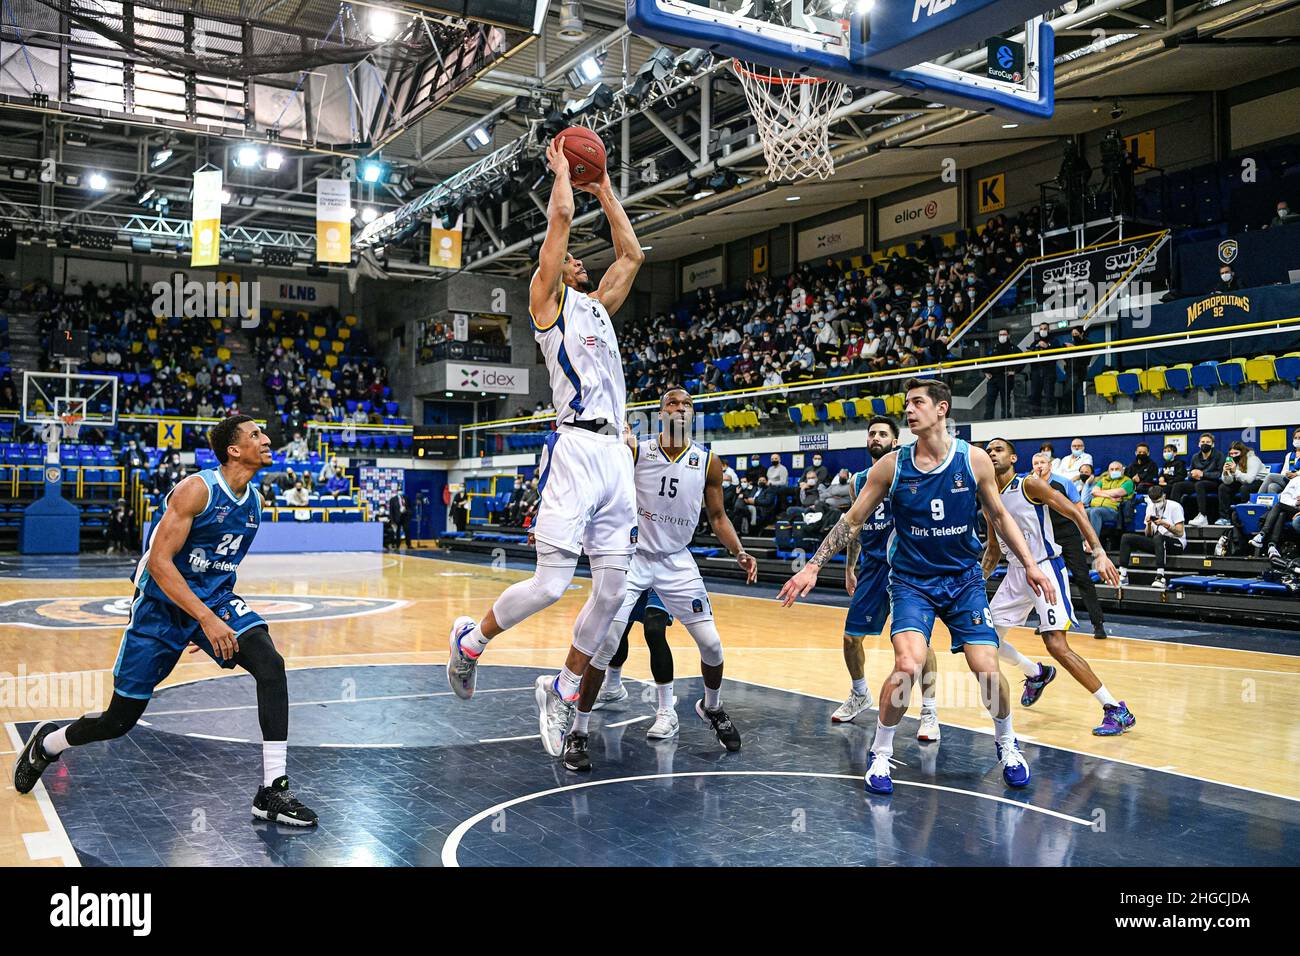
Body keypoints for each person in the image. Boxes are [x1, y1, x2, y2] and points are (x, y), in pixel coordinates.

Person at [446, 133, 645, 763]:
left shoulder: (599, 308)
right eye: (569, 259)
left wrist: (604, 186)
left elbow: (633, 253)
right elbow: (559, 218)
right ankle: (471, 640)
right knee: (553, 585)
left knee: (613, 591)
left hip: (618, 454)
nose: (579, 261)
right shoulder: (546, 306)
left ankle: (561, 689)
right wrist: (564, 171)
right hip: (575, 449)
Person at [13, 416, 317, 826]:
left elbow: (219, 566)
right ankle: (48, 744)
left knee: (270, 665)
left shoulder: (255, 503)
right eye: (255, 435)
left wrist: (207, 619)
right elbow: (158, 563)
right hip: (160, 609)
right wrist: (203, 618)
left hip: (211, 602)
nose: (266, 440)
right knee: (117, 721)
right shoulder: (197, 490)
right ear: (233, 449)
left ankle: (272, 791)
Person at [780, 378, 1055, 795]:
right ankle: (881, 752)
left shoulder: (974, 460)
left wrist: (1032, 565)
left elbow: (1000, 517)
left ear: (942, 409)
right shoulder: (892, 465)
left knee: (985, 667)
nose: (909, 410)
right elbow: (852, 520)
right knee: (908, 665)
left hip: (963, 581)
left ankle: (1007, 742)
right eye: (906, 404)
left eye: (918, 403)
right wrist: (813, 566)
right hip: (911, 581)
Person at [568, 389, 757, 770]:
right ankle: (578, 731)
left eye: (686, 404)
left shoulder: (708, 462)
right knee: (604, 645)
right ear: (661, 413)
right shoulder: (637, 451)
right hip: (632, 555)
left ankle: (712, 707)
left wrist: (738, 550)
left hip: (676, 561)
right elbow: (598, 484)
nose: (680, 409)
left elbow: (718, 517)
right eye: (672, 403)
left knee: (713, 646)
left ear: (693, 414)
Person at [982, 439, 1133, 736]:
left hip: (1045, 567)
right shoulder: (988, 497)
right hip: (1016, 573)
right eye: (988, 451)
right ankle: (1036, 674)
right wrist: (976, 580)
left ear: (1013, 457)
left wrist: (1099, 552)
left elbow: (1075, 512)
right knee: (985, 640)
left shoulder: (1029, 485)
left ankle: (1116, 709)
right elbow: (993, 551)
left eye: (998, 449)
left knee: (1056, 645)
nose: (991, 453)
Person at [831, 416, 941, 741]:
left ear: (895, 441)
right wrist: (850, 566)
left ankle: (930, 711)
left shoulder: (909, 472)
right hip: (872, 568)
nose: (876, 437)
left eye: (882, 434)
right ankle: (859, 693)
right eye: (872, 433)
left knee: (920, 647)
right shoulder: (858, 480)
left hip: (906, 569)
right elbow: (854, 524)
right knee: (851, 639)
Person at [1031, 452, 1108, 639]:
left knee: (1082, 577)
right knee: (1047, 580)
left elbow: (1080, 511)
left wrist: (1087, 539)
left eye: (1042, 462)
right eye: (1035, 463)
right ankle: (1048, 621)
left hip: (1068, 535)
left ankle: (1098, 623)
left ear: (1050, 465)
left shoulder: (1064, 483)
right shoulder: (1029, 484)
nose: (1039, 466)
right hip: (1046, 538)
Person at [1118, 484, 1185, 590]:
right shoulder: (1150, 507)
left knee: (1159, 537)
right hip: (1158, 543)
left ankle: (1160, 577)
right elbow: (1149, 534)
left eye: (1158, 501)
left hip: (1176, 543)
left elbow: (1180, 532)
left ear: (1164, 496)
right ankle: (1123, 574)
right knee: (1126, 537)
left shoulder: (1175, 506)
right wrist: (1149, 524)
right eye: (1154, 502)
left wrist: (1164, 524)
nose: (1156, 504)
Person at [1172, 433, 1225, 526]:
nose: (1205, 444)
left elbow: (1220, 474)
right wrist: (1192, 475)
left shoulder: (1219, 455)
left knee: (1199, 484)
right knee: (1178, 485)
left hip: (1213, 483)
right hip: (1197, 481)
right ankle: (1174, 515)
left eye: (1208, 442)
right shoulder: (1195, 457)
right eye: (1203, 442)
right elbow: (1190, 473)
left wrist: (1203, 474)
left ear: (1213, 444)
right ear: (1199, 444)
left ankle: (1203, 516)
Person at [1216, 440, 1267, 527]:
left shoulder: (1252, 459)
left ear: (1242, 452)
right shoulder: (1231, 460)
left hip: (1260, 481)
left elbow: (1249, 479)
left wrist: (1235, 471)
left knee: (1244, 488)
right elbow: (1228, 482)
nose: (1233, 456)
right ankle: (1225, 518)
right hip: (1242, 481)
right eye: (1231, 454)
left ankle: (1245, 516)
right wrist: (1225, 472)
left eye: (1236, 453)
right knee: (1223, 487)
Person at [1086, 461, 1134, 543]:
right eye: (1112, 469)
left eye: (1117, 469)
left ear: (1122, 470)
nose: (1114, 471)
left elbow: (1118, 492)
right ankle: (1083, 542)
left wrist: (1101, 492)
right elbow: (1094, 491)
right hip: (1095, 506)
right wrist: (1110, 495)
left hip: (1113, 511)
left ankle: (1093, 543)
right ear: (1108, 471)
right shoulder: (1103, 480)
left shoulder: (1128, 482)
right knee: (1082, 512)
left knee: (1095, 512)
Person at [1258, 428, 1300, 496]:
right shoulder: (1289, 455)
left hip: (1298, 481)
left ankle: (1255, 499)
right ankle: (1272, 506)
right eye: (1295, 438)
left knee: (1270, 476)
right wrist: (1287, 473)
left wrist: (1296, 474)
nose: (1297, 440)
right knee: (1272, 486)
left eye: (1299, 438)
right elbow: (1283, 471)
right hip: (1288, 480)